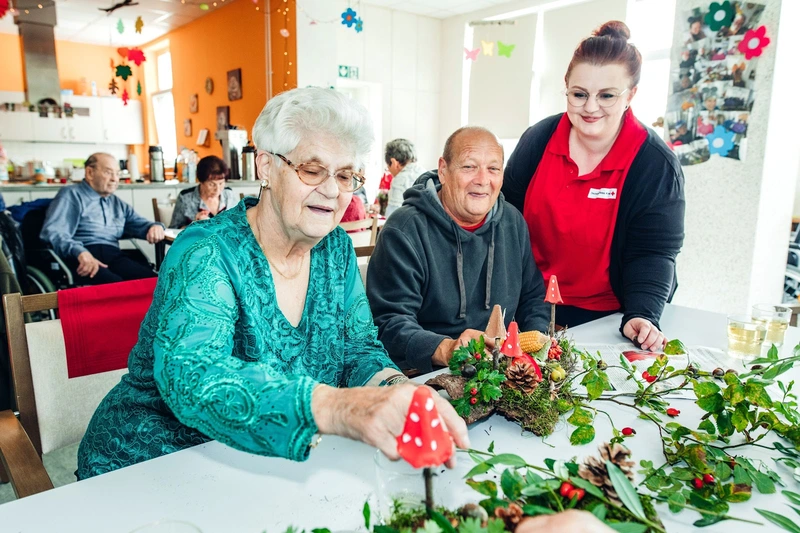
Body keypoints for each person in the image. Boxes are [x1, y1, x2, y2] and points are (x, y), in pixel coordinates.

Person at [77, 87, 469, 479]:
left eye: (346, 174)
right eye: (312, 170)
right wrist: (339, 409)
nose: (332, 190)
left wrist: (400, 389)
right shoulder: (206, 251)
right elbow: (192, 374)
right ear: (265, 167)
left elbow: (358, 350)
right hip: (150, 462)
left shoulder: (335, 249)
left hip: (263, 465)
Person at [502, 21, 685, 352]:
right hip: (529, 307)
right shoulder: (538, 140)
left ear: (631, 95)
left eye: (607, 96)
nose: (590, 107)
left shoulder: (654, 165)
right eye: (579, 94)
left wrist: (641, 314)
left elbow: (653, 252)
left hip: (609, 318)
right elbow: (505, 219)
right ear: (566, 88)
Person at [367, 127, 550, 373]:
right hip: (427, 372)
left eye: (494, 169)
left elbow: (533, 296)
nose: (483, 180)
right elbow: (389, 322)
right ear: (443, 170)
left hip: (502, 367)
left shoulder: (512, 221)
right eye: (469, 167)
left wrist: (533, 349)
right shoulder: (404, 229)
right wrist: (447, 349)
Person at [40, 152, 165, 285]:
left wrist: (154, 226)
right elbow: (54, 232)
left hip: (113, 255)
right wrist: (80, 252)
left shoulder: (116, 203)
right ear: (89, 173)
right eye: (108, 172)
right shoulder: (71, 195)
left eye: (117, 174)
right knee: (116, 288)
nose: (114, 179)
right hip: (81, 255)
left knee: (152, 282)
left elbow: (138, 223)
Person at [169, 155, 239, 228]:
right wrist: (195, 225)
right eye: (212, 184)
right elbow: (174, 229)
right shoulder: (185, 198)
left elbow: (240, 223)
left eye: (221, 183)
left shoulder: (228, 194)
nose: (217, 189)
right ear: (201, 182)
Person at [384, 138, 426, 217]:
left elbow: (392, 217)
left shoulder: (400, 180)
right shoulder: (425, 173)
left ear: (394, 162)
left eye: (388, 167)